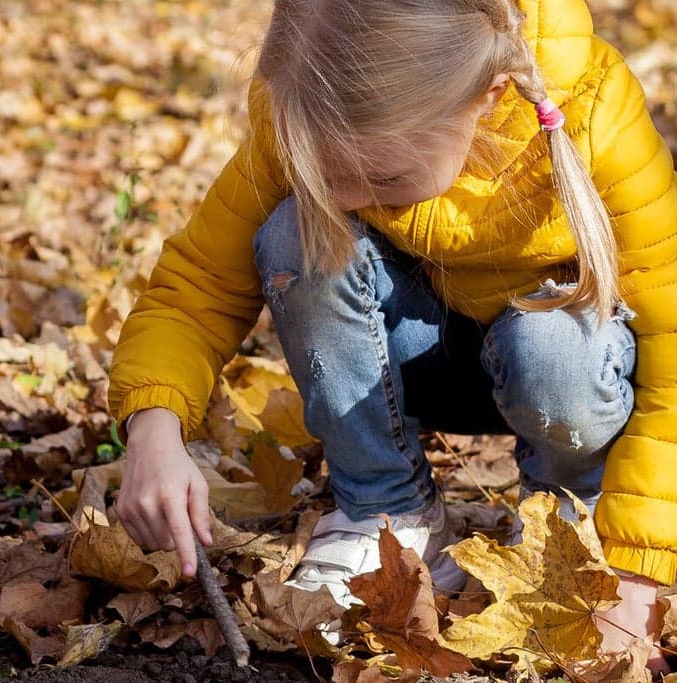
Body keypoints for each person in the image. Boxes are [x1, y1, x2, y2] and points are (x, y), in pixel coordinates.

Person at [110, 0, 675, 666]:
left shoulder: (594, 110)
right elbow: (197, 285)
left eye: (381, 179)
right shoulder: (307, 103)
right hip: (408, 356)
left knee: (549, 347)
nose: (347, 198)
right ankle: (385, 515)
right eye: (329, 173)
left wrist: (641, 566)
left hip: (561, 368)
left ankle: (565, 519)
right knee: (298, 231)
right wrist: (151, 426)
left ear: (488, 98)